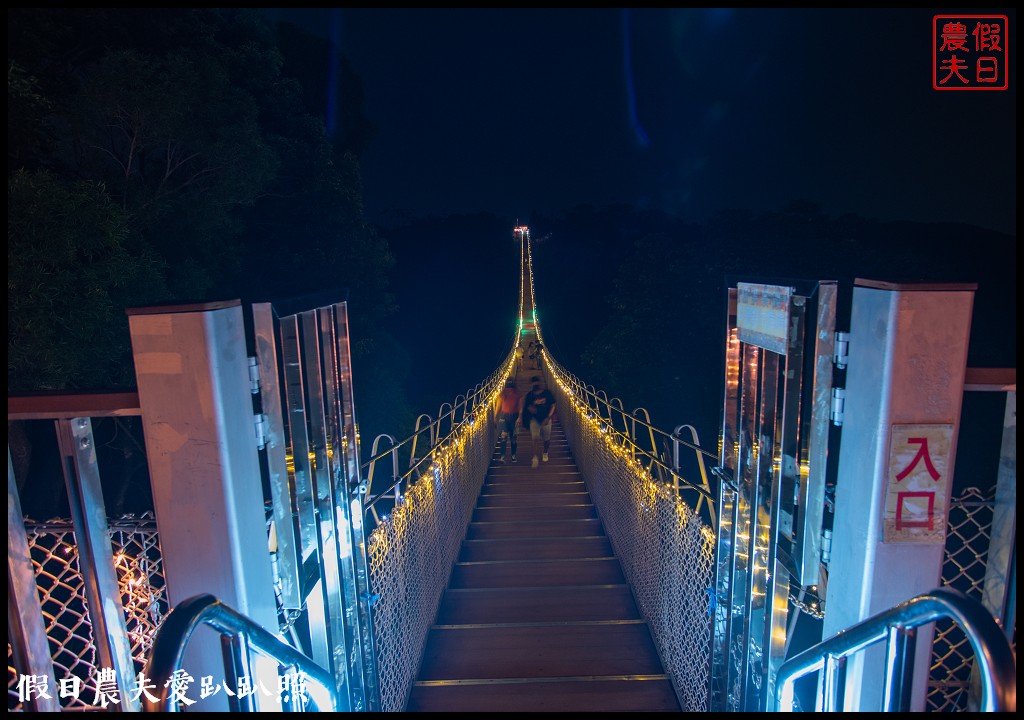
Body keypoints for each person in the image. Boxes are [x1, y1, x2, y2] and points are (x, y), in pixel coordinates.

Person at [520, 375, 556, 468]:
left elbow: (553, 405)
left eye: (536, 384)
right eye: (533, 384)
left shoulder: (547, 393)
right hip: (534, 420)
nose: (535, 386)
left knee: (546, 440)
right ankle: (534, 457)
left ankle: (545, 452)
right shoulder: (529, 395)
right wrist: (531, 409)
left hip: (546, 419)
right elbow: (527, 407)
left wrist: (548, 417)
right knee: (534, 439)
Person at [495, 378, 521, 463]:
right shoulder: (516, 393)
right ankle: (511, 456)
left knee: (504, 436)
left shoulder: (503, 394)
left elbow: (498, 407)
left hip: (505, 416)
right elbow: (520, 407)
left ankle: (504, 456)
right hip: (511, 416)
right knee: (512, 437)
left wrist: (495, 418)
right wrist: (519, 417)